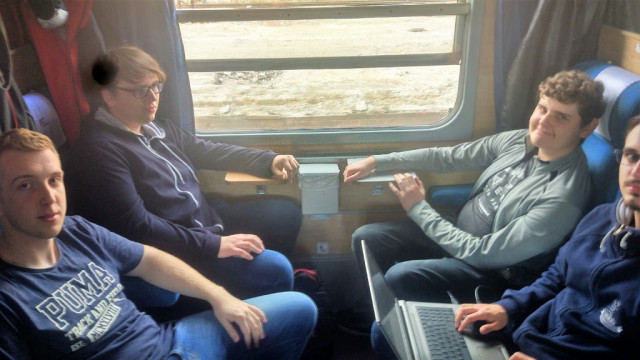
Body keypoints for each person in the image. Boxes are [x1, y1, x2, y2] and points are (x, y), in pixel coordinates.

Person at [0, 128, 317, 359]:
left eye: (54, 180)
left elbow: (150, 259)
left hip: (169, 339)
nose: (49, 198)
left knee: (301, 309)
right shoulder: (8, 295)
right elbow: (142, 226)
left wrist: (220, 297)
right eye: (25, 185)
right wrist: (211, 245)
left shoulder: (77, 231)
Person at [345, 70, 605, 329]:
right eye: (542, 108)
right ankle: (378, 319)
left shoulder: (563, 196)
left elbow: (483, 254)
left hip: (491, 272)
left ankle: (418, 332)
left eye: (561, 117)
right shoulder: (519, 141)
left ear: (587, 127)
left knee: (400, 275)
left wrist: (418, 208)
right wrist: (377, 162)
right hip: (457, 231)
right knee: (367, 238)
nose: (543, 122)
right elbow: (449, 157)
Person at [67, 45, 301, 300]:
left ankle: (259, 300)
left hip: (207, 221)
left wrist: (267, 160)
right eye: (140, 91)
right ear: (109, 96)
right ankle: (253, 315)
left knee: (285, 213)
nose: (153, 97)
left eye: (156, 86)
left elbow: (207, 150)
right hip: (176, 250)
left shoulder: (153, 128)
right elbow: (138, 227)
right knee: (275, 270)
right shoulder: (100, 151)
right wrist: (214, 245)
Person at [453, 114, 640, 359]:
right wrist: (508, 307)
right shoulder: (603, 218)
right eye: (632, 156)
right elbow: (558, 276)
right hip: (526, 337)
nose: (635, 172)